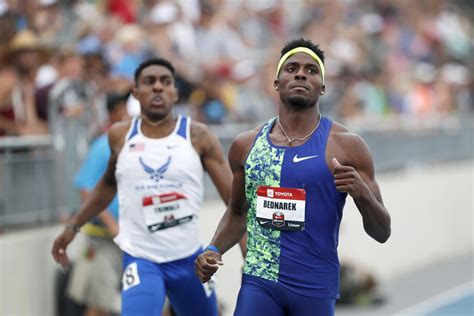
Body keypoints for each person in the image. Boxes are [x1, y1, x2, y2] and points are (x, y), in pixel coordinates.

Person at [195, 38, 391, 316]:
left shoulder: (347, 146)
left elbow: (381, 232)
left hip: (314, 289)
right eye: (292, 68)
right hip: (260, 283)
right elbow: (237, 212)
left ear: (323, 87)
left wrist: (363, 194)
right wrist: (214, 248)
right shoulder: (246, 145)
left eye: (312, 70)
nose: (301, 74)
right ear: (276, 83)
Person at [52, 57, 237, 316]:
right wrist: (73, 226)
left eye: (165, 82)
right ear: (136, 93)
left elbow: (235, 203)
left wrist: (243, 250)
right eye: (149, 82)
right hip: (142, 259)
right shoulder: (120, 136)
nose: (158, 87)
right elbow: (106, 186)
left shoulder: (198, 136)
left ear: (175, 91)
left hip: (189, 260)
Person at [65, 92, 129, 316]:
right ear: (115, 112)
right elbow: (86, 188)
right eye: (125, 109)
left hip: (135, 240)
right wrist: (112, 225)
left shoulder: (141, 145)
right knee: (99, 305)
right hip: (104, 240)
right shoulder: (103, 146)